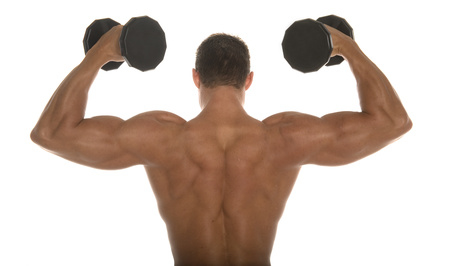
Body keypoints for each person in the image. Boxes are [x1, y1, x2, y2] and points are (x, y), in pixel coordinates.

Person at [31, 23, 412, 265]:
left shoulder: (163, 138)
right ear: (249, 80)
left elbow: (52, 132)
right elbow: (392, 122)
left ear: (196, 78)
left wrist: (102, 51)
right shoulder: (285, 138)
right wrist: (344, 47)